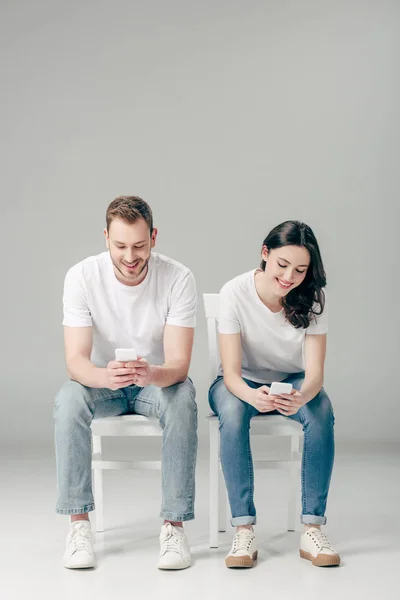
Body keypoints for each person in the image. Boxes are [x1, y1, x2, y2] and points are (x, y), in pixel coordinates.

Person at [54, 196, 197, 570]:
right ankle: (78, 525)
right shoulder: (81, 277)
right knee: (69, 399)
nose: (130, 257)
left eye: (139, 246)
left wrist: (153, 374)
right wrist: (106, 376)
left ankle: (174, 527)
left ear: (154, 237)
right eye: (120, 246)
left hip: (156, 383)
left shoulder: (178, 278)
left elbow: (179, 365)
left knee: (183, 397)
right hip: (103, 382)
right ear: (106, 238)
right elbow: (75, 362)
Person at [208, 220, 340, 568]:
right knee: (234, 414)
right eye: (282, 265)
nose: (289, 277)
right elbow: (232, 374)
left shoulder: (313, 298)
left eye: (300, 269)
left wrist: (302, 396)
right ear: (264, 254)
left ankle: (312, 527)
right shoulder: (234, 292)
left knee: (321, 411)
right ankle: (244, 528)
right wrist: (252, 397)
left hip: (292, 382)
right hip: (238, 383)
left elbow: (314, 375)